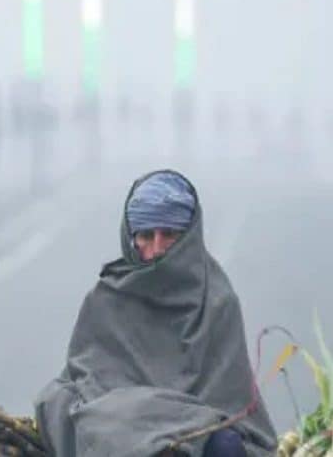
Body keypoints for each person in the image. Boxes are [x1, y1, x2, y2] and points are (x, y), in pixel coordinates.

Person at [34, 170, 276, 457]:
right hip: (120, 426)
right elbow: (90, 386)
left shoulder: (217, 302)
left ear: (189, 238)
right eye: (146, 236)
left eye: (169, 235)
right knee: (60, 402)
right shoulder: (106, 299)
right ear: (131, 237)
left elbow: (228, 403)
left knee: (226, 446)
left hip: (194, 431)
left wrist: (167, 424)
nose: (157, 249)